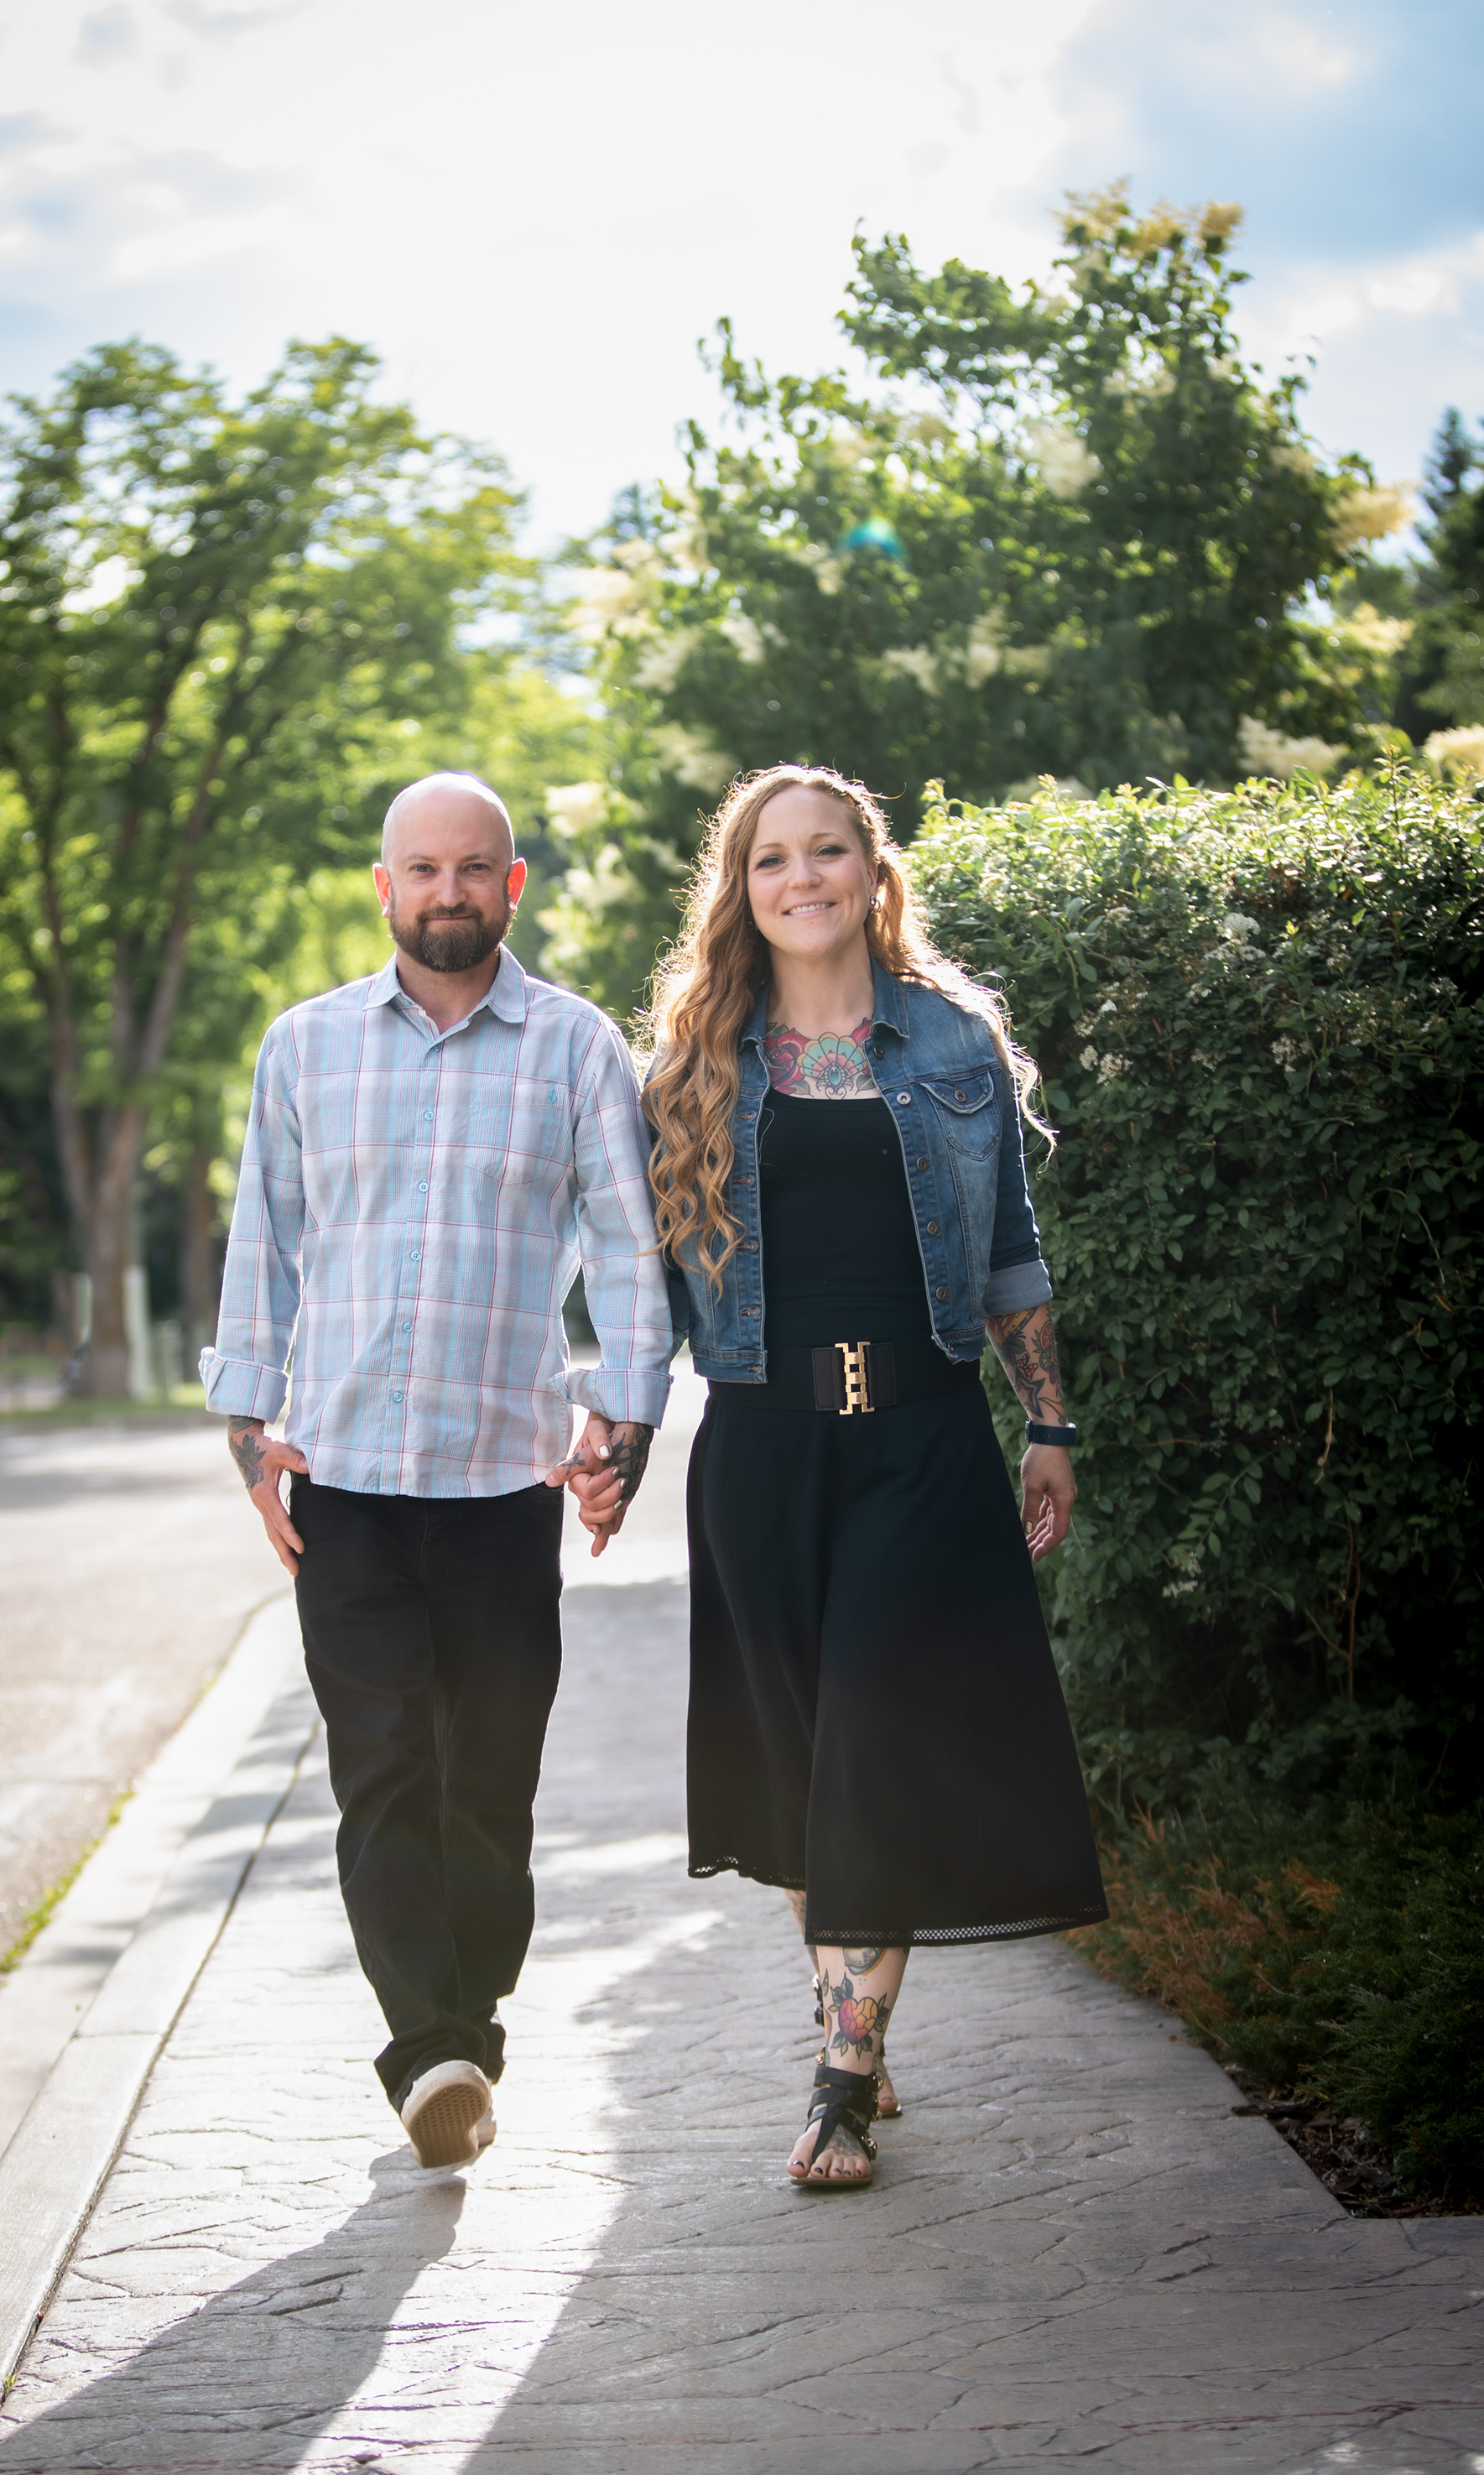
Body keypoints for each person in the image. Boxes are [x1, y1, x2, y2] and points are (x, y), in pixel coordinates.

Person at [644, 763, 1106, 2189]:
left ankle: (839, 2079)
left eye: (826, 851)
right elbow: (638, 1275)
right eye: (771, 858)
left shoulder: (951, 1043)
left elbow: (1012, 1254)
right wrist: (599, 1436)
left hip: (918, 1441)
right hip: (763, 1450)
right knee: (799, 1776)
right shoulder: (693, 1062)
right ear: (743, 887)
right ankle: (862, 2014)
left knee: (875, 1749)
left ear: (869, 867)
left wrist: (1047, 1422)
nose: (802, 877)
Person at [201, 773, 669, 2170]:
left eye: (475, 869)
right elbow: (260, 1249)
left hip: (501, 1485)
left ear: (511, 885)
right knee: (384, 1765)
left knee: (490, 1786)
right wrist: (246, 1426)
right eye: (424, 869)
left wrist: (626, 1427)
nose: (449, 891)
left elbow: (634, 1254)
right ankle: (429, 2048)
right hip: (342, 1481)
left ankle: (470, 2019)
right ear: (385, 884)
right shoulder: (305, 1048)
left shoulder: (581, 1050)